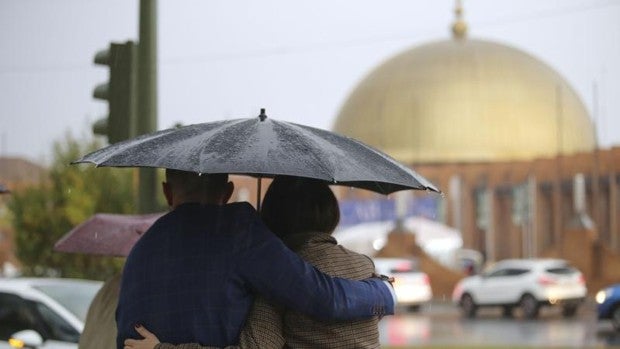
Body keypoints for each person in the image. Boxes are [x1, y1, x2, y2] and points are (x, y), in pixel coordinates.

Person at [116, 170, 395, 348]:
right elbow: (321, 295)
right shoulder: (240, 232)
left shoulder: (141, 250)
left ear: (167, 192)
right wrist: (382, 292)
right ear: (226, 193)